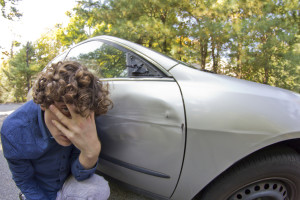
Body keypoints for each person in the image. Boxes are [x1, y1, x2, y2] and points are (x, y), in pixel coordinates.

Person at [1, 61, 112, 200]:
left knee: (99, 188)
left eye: (79, 113)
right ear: (44, 103)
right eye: (65, 109)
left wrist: (90, 153)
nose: (73, 126)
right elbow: (25, 181)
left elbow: (79, 175)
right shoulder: (14, 130)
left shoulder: (84, 118)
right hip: (40, 191)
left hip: (66, 184)